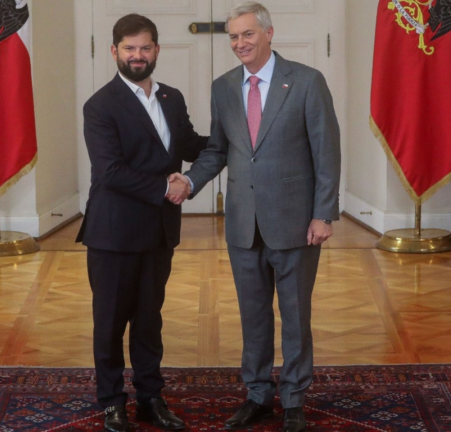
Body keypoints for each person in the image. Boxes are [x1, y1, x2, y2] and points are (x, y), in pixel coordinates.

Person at [172, 2, 340, 431]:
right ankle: (258, 394)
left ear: (268, 33)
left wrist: (324, 214)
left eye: (247, 34)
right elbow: (218, 151)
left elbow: (327, 154)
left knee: (295, 315)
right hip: (243, 224)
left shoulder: (306, 82)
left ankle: (295, 397)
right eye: (233, 36)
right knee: (253, 314)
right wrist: (190, 183)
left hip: (296, 222)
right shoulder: (224, 87)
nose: (240, 43)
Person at [76, 13, 207, 432]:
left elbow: (187, 144)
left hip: (158, 232)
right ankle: (112, 400)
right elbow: (109, 171)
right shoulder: (100, 105)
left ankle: (151, 398)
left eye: (145, 47)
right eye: (129, 48)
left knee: (150, 320)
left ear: (156, 50)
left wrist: (236, 139)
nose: (138, 55)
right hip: (113, 233)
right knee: (111, 322)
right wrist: (166, 187)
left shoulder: (171, 97)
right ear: (115, 51)